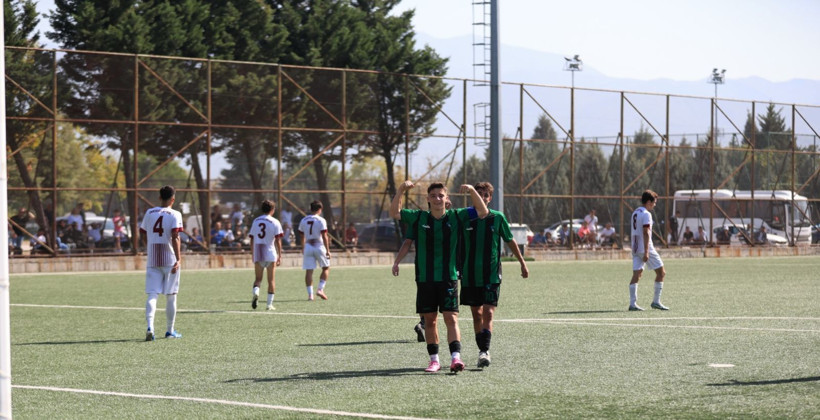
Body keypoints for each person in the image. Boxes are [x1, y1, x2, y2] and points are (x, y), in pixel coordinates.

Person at [389, 180, 488, 373]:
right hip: (425, 277)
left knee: (451, 318)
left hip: (448, 277)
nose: (437, 199)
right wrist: (401, 189)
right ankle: (434, 360)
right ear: (427, 199)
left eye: (441, 195)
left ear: (447, 198)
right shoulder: (419, 217)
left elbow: (482, 211)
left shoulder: (456, 217)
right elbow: (394, 213)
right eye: (433, 196)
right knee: (431, 320)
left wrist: (472, 191)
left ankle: (455, 358)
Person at [461, 182, 528, 368]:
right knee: (476, 314)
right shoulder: (465, 216)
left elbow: (510, 240)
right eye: (478, 193)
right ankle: (481, 349)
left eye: (485, 194)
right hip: (470, 275)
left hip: (491, 275)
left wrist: (522, 263)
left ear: (490, 198)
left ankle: (484, 351)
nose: (482, 197)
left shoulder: (497, 217)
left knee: (488, 313)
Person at [140, 185, 183, 341]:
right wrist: (178, 258)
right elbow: (175, 236)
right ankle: (170, 330)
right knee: (171, 295)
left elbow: (142, 232)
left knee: (152, 294)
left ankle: (150, 327)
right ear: (173, 199)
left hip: (153, 258)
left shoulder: (149, 212)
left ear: (159, 198)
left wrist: (148, 245)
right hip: (170, 259)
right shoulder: (175, 214)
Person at [628, 190, 668, 311]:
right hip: (645, 248)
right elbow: (646, 232)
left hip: (634, 248)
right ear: (649, 202)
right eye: (654, 202)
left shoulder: (635, 212)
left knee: (637, 274)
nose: (655, 205)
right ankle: (656, 302)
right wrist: (646, 251)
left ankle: (632, 304)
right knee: (661, 273)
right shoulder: (646, 214)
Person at [249, 200, 284, 311]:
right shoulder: (275, 222)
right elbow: (278, 240)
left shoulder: (256, 221)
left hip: (258, 252)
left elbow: (252, 239)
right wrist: (280, 255)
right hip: (270, 252)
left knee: (258, 279)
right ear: (272, 210)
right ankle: (269, 305)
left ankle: (256, 292)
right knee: (271, 280)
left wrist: (252, 253)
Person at [299, 200, 331, 301]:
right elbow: (324, 236)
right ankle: (320, 289)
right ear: (320, 209)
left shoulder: (304, 220)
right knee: (326, 268)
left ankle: (310, 295)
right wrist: (327, 250)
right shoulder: (321, 220)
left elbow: (301, 235)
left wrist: (303, 247)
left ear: (311, 209)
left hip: (308, 245)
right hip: (319, 245)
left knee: (309, 271)